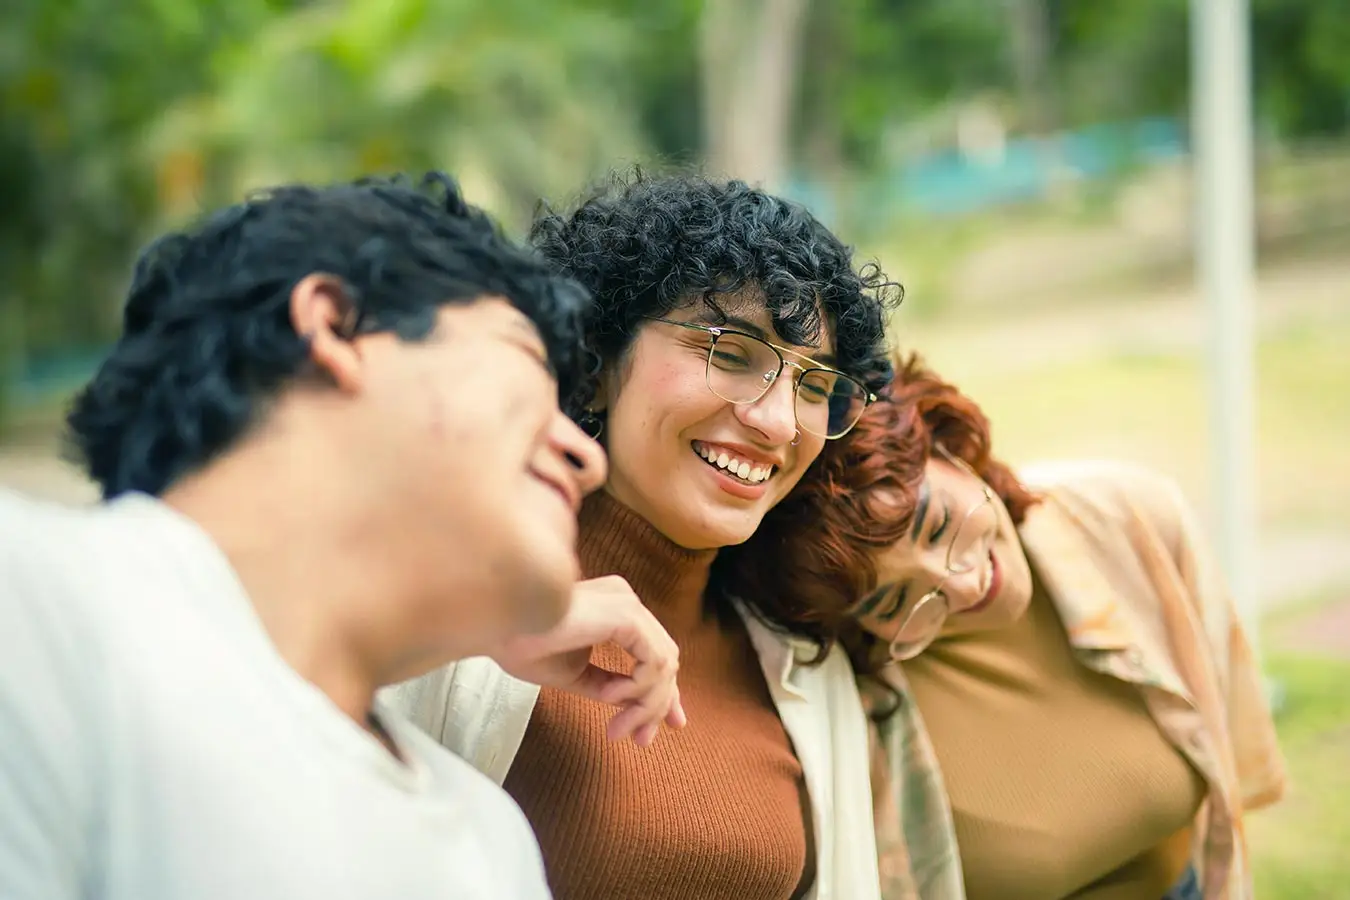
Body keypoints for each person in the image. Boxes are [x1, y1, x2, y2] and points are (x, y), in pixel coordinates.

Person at [0, 173, 684, 900]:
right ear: (334, 324)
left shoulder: (489, 841)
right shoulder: (37, 610)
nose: (585, 457)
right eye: (523, 361)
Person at [386, 171, 903, 900]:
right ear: (594, 363)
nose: (779, 422)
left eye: (813, 386)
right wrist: (474, 628)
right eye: (730, 353)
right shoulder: (447, 617)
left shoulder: (806, 670)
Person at [736, 352, 1288, 900]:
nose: (964, 585)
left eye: (940, 525)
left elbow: (1231, 773)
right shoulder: (856, 705)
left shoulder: (1129, 520)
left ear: (949, 447)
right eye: (894, 602)